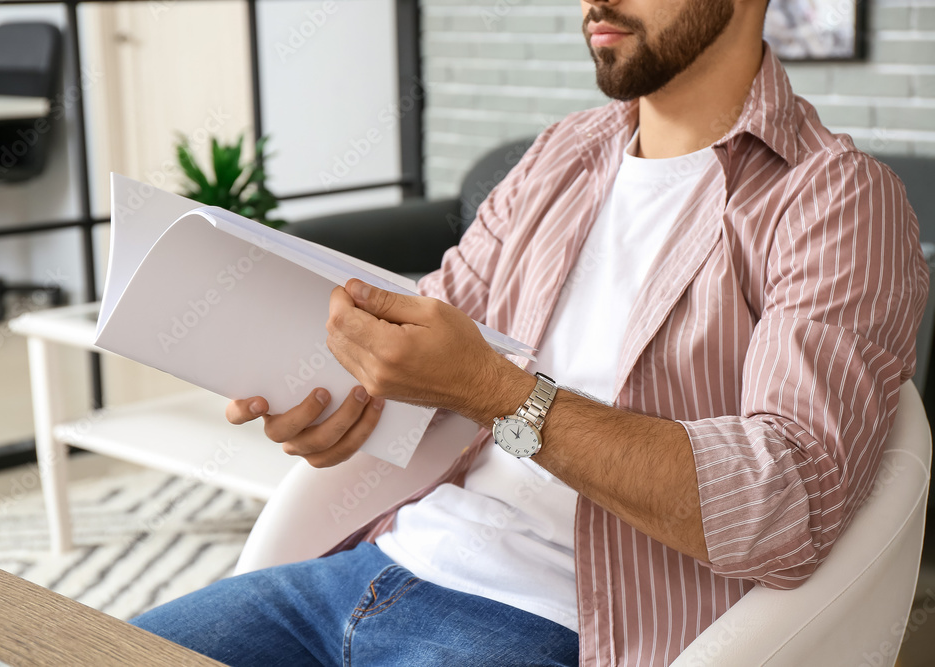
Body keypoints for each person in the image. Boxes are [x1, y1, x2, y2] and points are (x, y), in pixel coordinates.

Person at [129, 0, 929, 665]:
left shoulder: (836, 203)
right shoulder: (562, 155)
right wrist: (337, 395)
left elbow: (785, 506)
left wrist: (495, 390)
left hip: (552, 625)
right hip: (367, 566)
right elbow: (434, 336)